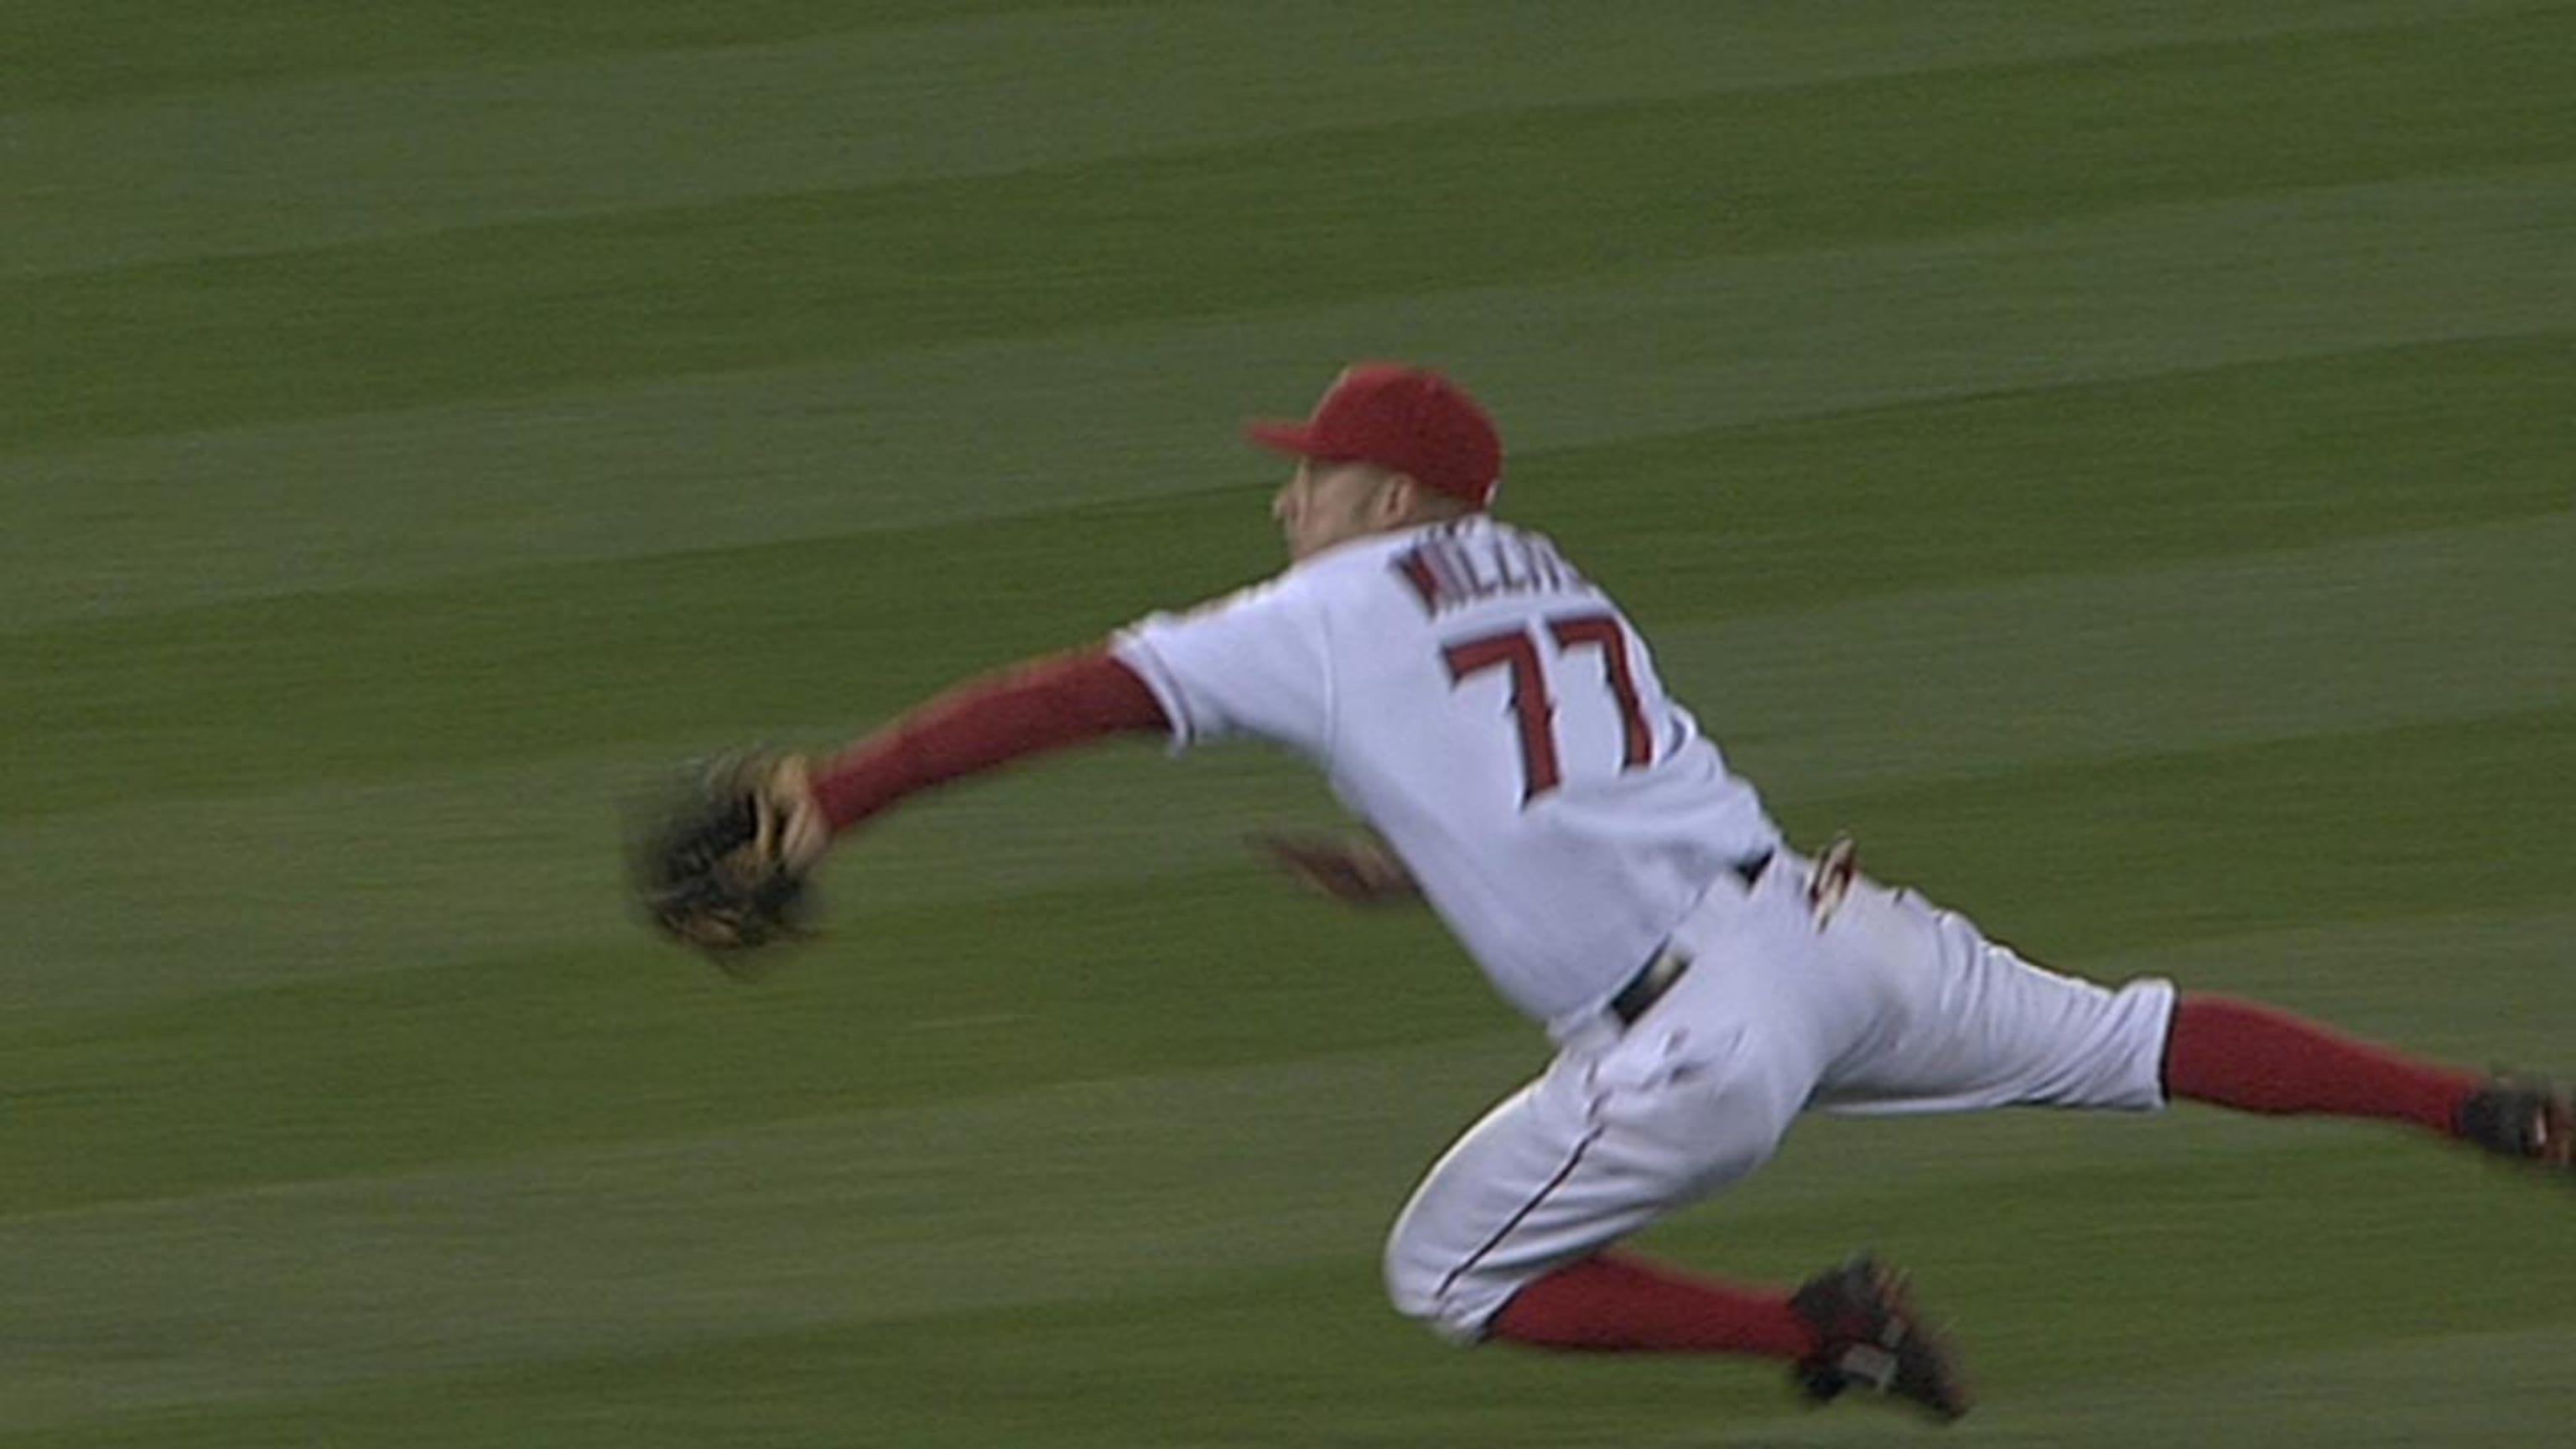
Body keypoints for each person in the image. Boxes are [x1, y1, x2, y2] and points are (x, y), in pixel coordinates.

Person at [671, 363, 2571, 1423]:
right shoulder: (1548, 570)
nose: (1290, 503)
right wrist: (1418, 859)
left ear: (1395, 502)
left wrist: (831, 796)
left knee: (1452, 1272)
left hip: (1698, 1039)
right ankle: (2481, 1105)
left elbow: (1069, 700)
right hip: (1836, 930)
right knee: (2133, 1039)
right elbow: (1576, 774)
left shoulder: (1326, 611)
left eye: (1318, 474)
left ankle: (1823, 1327)